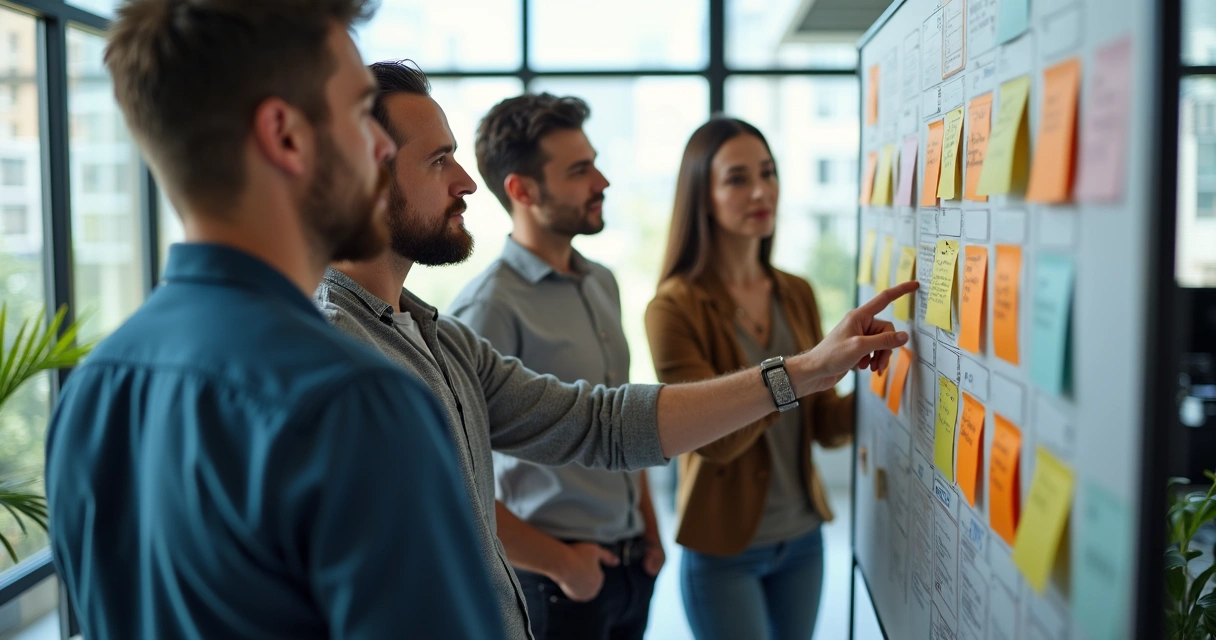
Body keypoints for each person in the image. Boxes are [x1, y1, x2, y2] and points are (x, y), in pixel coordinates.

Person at [314, 60, 914, 640]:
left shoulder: (443, 340)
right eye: (440, 160)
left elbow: (602, 424)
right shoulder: (329, 354)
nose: (467, 181)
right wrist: (561, 565)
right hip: (563, 583)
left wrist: (808, 370)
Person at [44, 3, 503, 639]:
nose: (378, 149)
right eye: (357, 113)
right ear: (285, 135)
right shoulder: (359, 401)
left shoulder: (94, 387)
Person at [448, 93, 663, 640]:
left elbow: (617, 417)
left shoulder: (602, 282)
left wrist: (651, 530)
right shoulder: (487, 309)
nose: (602, 182)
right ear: (521, 190)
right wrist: (562, 567)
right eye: (580, 170)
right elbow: (455, 480)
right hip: (557, 580)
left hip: (632, 562)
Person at [645, 116, 854, 640]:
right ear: (703, 195)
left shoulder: (797, 291)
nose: (761, 190)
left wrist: (882, 372)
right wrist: (803, 374)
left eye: (768, 172)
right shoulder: (673, 307)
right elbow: (713, 441)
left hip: (803, 536)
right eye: (737, 178)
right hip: (723, 550)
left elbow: (826, 424)